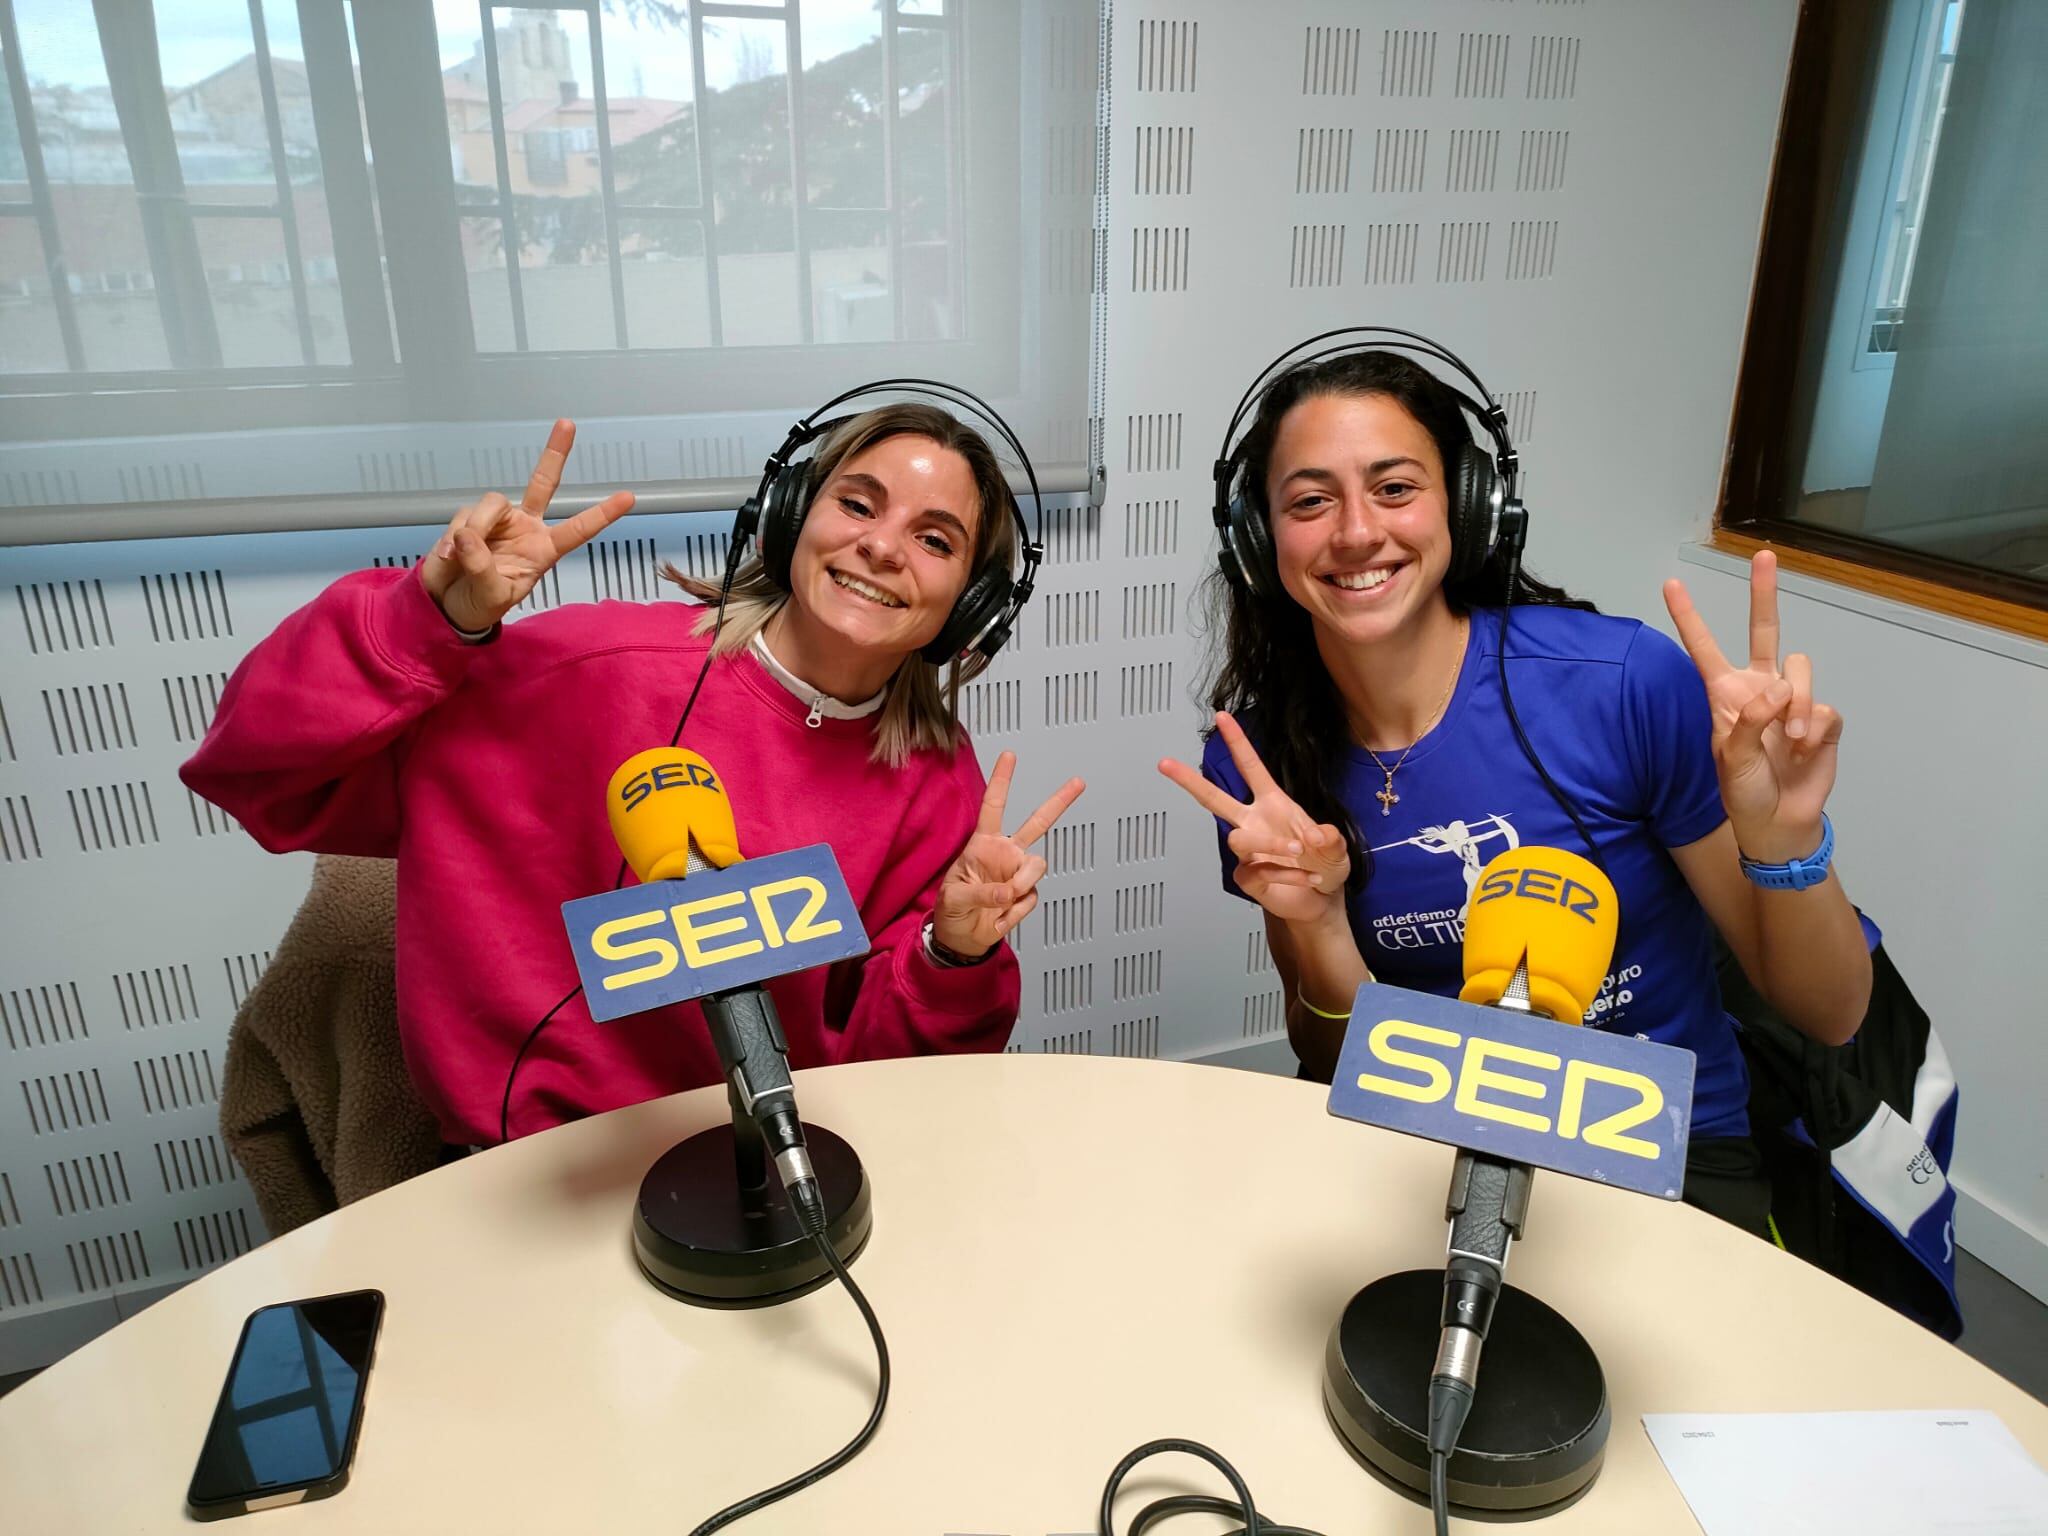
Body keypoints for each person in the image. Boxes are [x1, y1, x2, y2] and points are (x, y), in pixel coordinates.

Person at [185, 406, 1082, 1146]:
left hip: (771, 1167)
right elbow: (256, 767)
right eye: (857, 503)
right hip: (533, 1174)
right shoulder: (588, 670)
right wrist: (430, 622)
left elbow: (892, 1080)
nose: (883, 548)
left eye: (933, 537)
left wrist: (952, 956)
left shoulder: (940, 785)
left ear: (971, 603)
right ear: (792, 517)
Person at [1159, 349, 1872, 1237]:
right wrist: (1321, 923)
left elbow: (1830, 1015)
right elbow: (1328, 1050)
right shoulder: (1260, 763)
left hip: (1660, 1158)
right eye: (1309, 501)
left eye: (1394, 488)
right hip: (1422, 1149)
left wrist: (1785, 836)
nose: (1353, 532)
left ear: (1466, 505)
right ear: (1261, 542)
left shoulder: (1619, 683)